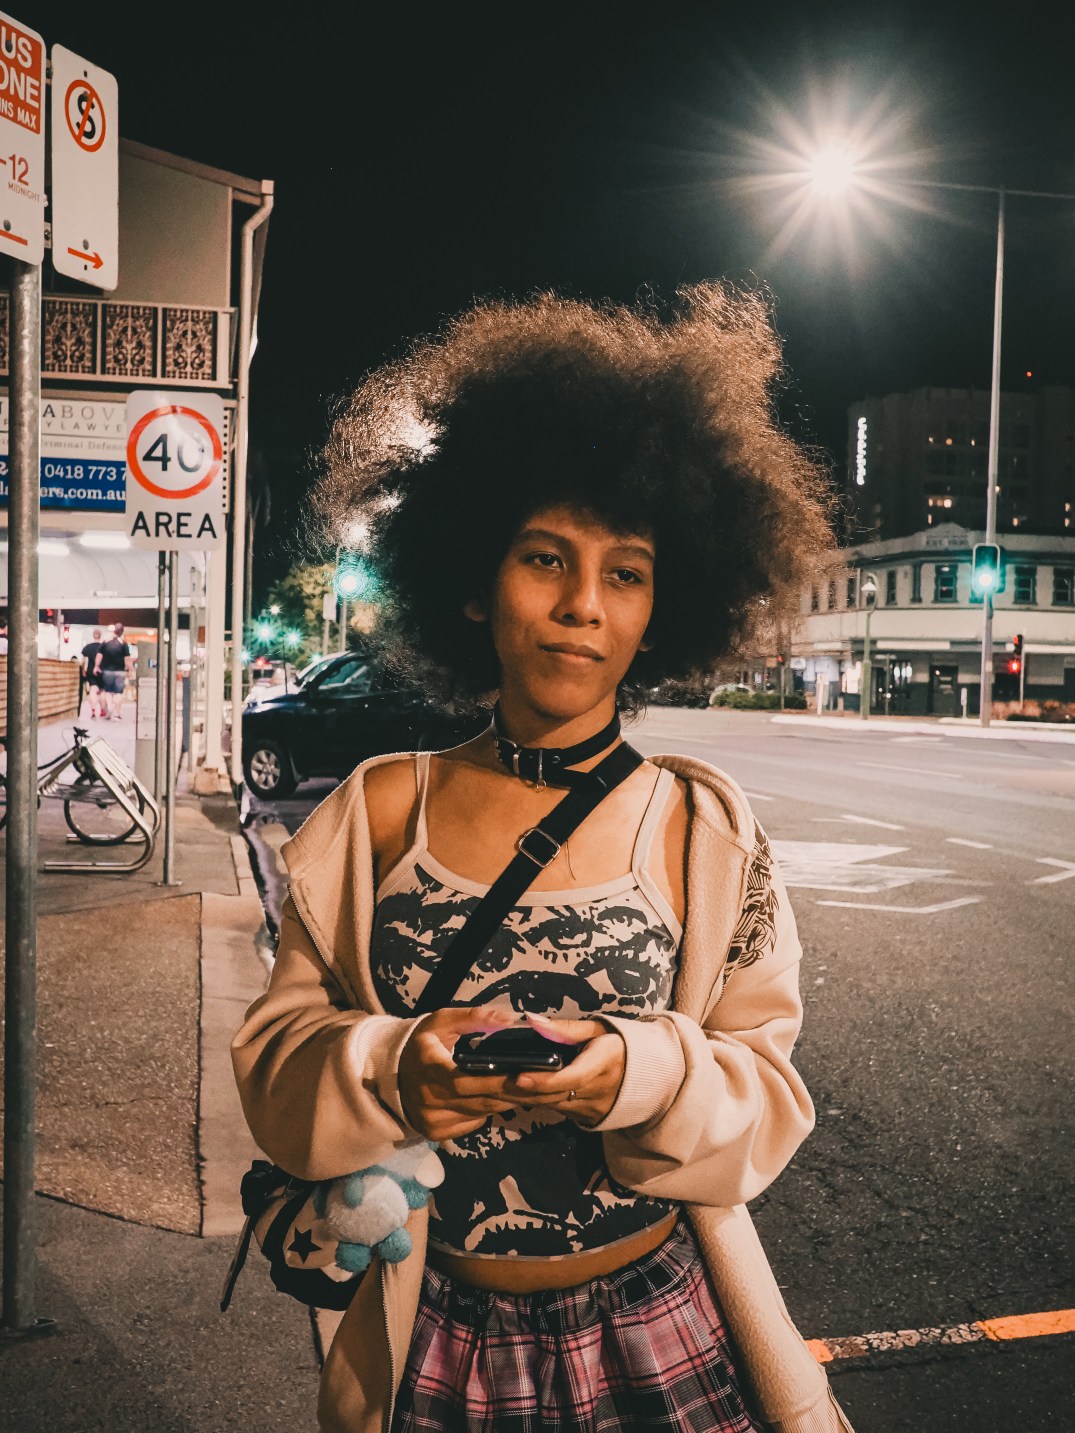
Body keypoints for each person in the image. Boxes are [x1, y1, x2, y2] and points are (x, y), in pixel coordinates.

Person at [232, 285, 854, 1433]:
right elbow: (275, 1068)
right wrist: (392, 1065)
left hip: (665, 1336)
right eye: (542, 558)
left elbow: (767, 1101)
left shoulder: (702, 826)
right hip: (427, 1343)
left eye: (624, 572)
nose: (580, 606)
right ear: (472, 578)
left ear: (664, 608)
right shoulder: (376, 812)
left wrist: (636, 1072)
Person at [94, 622, 134, 720]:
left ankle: (110, 707)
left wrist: (96, 666)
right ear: (122, 632)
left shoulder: (105, 642)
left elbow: (99, 656)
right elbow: (127, 659)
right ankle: (117, 713)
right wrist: (130, 670)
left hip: (107, 671)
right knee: (118, 693)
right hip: (120, 672)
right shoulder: (124, 644)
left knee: (108, 691)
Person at [80, 628, 105, 719]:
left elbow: (83, 660)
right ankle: (102, 710)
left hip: (90, 671)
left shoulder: (88, 647)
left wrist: (83, 670)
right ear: (100, 636)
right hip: (102, 671)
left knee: (93, 690)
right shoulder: (104, 646)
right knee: (102, 691)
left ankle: (93, 710)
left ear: (93, 635)